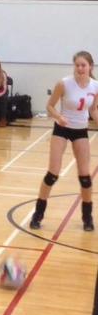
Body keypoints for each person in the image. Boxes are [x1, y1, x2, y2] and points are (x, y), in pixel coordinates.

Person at [30, 51, 98, 232]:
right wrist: (58, 116)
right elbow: (49, 106)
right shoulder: (64, 83)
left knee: (85, 177)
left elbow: (93, 110)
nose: (80, 68)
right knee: (53, 173)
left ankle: (87, 217)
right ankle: (38, 213)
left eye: (84, 65)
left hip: (80, 130)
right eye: (77, 65)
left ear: (90, 66)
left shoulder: (95, 86)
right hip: (62, 128)